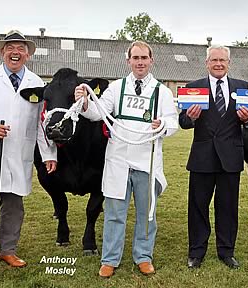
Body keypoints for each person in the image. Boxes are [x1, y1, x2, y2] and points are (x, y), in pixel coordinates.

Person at [74, 40, 178, 278]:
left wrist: (162, 124)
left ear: (151, 61)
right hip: (119, 160)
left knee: (146, 213)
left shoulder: (162, 91)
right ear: (128, 61)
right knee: (114, 213)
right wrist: (85, 100)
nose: (140, 62)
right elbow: (95, 113)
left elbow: (172, 122)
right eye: (135, 58)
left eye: (144, 58)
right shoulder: (116, 88)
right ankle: (110, 259)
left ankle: (143, 256)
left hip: (146, 161)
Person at [0, 30, 57, 278]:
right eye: (10, 48)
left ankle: (8, 249)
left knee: (14, 208)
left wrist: (49, 154)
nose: (15, 52)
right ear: (2, 52)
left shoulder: (36, 83)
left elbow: (40, 123)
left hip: (19, 155)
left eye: (20, 48)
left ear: (27, 54)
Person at [179, 45, 248, 269]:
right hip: (202, 157)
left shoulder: (243, 88)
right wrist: (190, 118)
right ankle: (196, 252)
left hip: (230, 157)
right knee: (198, 207)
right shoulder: (193, 88)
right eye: (214, 60)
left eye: (222, 60)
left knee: (228, 208)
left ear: (229, 63)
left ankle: (226, 251)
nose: (218, 64)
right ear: (207, 63)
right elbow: (183, 122)